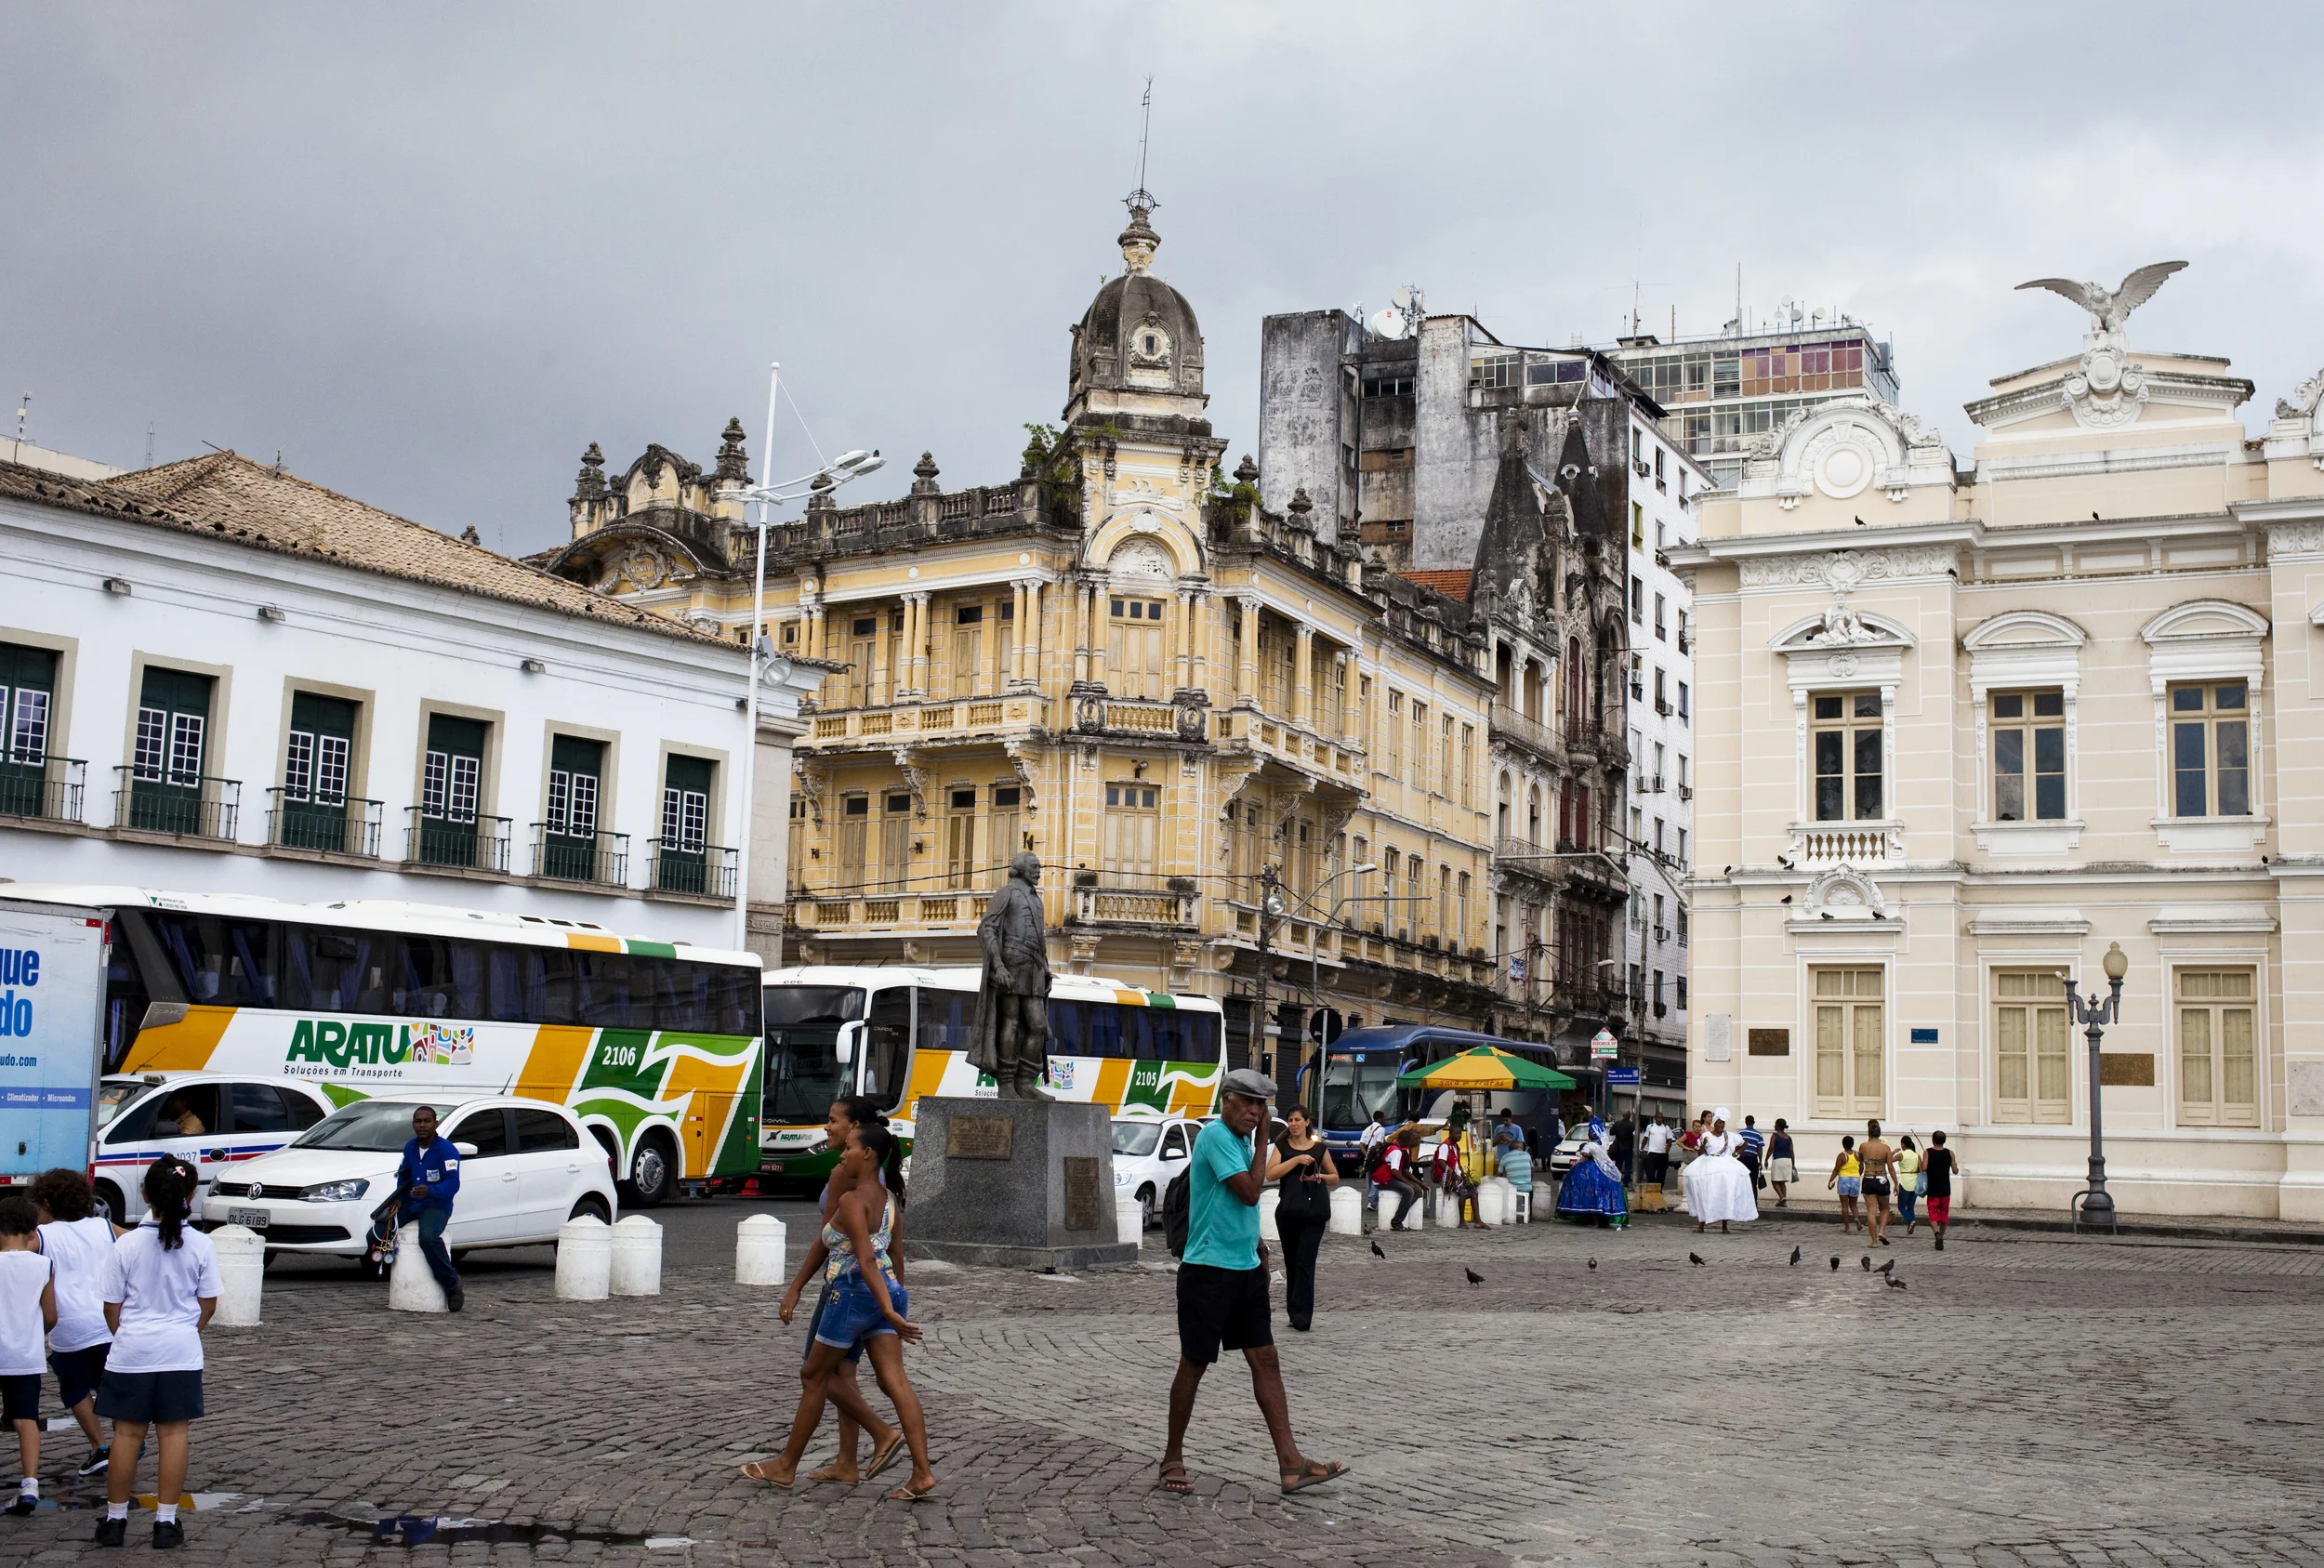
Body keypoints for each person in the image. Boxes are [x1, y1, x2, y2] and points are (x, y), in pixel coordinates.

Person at [1159, 1068, 1340, 1497]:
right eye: (1247, 1102)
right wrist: (1264, 1142)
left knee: (1267, 1360)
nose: (1255, 1112)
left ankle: (1291, 1464)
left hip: (1244, 1269)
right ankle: (1171, 1458)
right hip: (1207, 1271)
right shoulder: (1217, 1138)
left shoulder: (1241, 1141)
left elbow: (1235, 1208)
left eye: (1261, 1105)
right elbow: (1249, 1192)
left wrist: (1256, 1245)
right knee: (1195, 1362)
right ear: (1226, 1100)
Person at [755, 1124, 933, 1500]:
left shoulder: (853, 1200)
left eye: (849, 1147)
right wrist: (894, 1301)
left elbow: (866, 1258)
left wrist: (887, 1308)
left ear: (867, 1153)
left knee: (813, 1375)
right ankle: (921, 1475)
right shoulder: (888, 1200)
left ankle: (789, 1465)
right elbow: (894, 1258)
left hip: (853, 1295)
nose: (842, 1154)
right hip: (886, 1292)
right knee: (895, 1382)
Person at [94, 1156, 218, 1550]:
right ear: (191, 1195)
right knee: (174, 1434)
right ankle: (165, 1522)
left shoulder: (125, 1244)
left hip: (133, 1351)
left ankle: (115, 1521)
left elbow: (111, 1307)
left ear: (145, 1195)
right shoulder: (201, 1244)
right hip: (179, 1352)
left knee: (126, 1435)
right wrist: (184, 1331)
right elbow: (208, 1304)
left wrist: (128, 1335)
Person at [795, 1096, 907, 1487]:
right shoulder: (871, 1176)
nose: (828, 1128)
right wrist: (894, 1296)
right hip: (868, 1287)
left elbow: (827, 1241)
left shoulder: (845, 1176)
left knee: (818, 1373)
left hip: (843, 1287)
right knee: (844, 1373)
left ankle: (881, 1435)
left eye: (833, 1121)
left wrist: (796, 1288)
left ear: (856, 1132)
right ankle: (847, 1462)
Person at [32, 1168, 120, 1481]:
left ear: (45, 1203)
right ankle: (126, 1443)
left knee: (75, 1388)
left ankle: (100, 1447)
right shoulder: (104, 1227)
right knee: (113, 1385)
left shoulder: (42, 1236)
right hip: (107, 1322)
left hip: (68, 1327)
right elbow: (137, 1241)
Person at [0, 1197, 57, 1518]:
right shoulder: (43, 1265)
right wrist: (38, 1331)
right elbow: (51, 1315)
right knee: (26, 1418)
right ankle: (30, 1483)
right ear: (33, 1232)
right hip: (24, 1354)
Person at [1266, 1107, 1337, 1332]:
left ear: (1307, 1122)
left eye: (1297, 1120)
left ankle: (1303, 1316)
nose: (1293, 1124)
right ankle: (1293, 1311)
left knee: (1305, 1262)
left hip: (1313, 1213)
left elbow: (1334, 1177)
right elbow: (1271, 1174)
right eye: (1290, 1120)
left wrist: (1319, 1176)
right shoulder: (1282, 1146)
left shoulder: (1319, 1149)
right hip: (1288, 1212)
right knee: (1292, 1263)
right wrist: (1296, 1160)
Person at [393, 1105, 463, 1312]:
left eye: (427, 1121)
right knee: (380, 1230)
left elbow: (453, 1184)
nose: (422, 1125)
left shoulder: (447, 1150)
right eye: (418, 1121)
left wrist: (431, 1191)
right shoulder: (410, 1147)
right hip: (412, 1203)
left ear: (435, 1124)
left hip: (437, 1206)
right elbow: (404, 1176)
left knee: (428, 1237)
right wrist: (398, 1199)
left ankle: (452, 1284)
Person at [1684, 1110, 1760, 1234]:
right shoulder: (1706, 1136)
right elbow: (1700, 1153)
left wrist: (1736, 1153)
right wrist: (1703, 1145)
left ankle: (1724, 1226)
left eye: (1723, 1123)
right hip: (1709, 1167)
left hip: (1726, 1167)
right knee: (1706, 1195)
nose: (1721, 1125)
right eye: (1719, 1123)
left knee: (1725, 1196)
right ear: (1715, 1123)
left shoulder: (1730, 1136)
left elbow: (1744, 1144)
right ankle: (1701, 1225)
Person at [1554, 1116, 1628, 1226]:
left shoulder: (1591, 1145)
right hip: (1607, 1170)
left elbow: (1585, 1153)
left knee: (1590, 1193)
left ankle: (1593, 1220)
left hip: (1594, 1171)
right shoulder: (1603, 1142)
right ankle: (1605, 1219)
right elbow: (1603, 1134)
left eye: (1589, 1133)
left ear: (1591, 1134)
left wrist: (1585, 1153)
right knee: (1604, 1194)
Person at [1371, 1128, 1423, 1232]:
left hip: (1385, 1178)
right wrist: (1407, 1183)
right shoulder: (1396, 1151)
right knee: (1409, 1190)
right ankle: (1397, 1222)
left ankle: (1401, 1212)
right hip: (1383, 1180)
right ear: (1407, 1141)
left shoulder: (1394, 1147)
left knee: (1411, 1189)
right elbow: (1395, 1171)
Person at [1857, 1120, 1895, 1247]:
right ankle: (1882, 1231)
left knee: (1871, 1211)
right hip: (1882, 1179)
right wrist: (1896, 1183)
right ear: (1879, 1134)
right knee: (1884, 1208)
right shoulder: (1885, 1148)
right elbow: (1890, 1167)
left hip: (1868, 1179)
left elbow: (1860, 1163)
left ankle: (1873, 1242)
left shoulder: (1863, 1146)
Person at [1922, 1130, 1962, 1250]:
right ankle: (1942, 1236)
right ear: (1944, 1141)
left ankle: (1936, 1234)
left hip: (1933, 1188)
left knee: (1933, 1213)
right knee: (1944, 1214)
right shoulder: (1950, 1153)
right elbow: (1955, 1171)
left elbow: (1924, 1168)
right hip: (1945, 1188)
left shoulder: (1928, 1152)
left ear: (1932, 1140)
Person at [1829, 1135, 1861, 1234]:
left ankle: (1847, 1227)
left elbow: (1836, 1169)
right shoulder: (1858, 1155)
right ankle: (1856, 1218)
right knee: (1854, 1204)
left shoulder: (1842, 1155)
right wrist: (1858, 1175)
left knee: (1844, 1205)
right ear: (1853, 1144)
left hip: (1844, 1179)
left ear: (1843, 1144)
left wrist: (1831, 1180)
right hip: (1856, 1179)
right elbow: (1862, 1167)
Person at [1894, 1135, 1922, 1234]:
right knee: (1910, 1207)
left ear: (1903, 1144)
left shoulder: (1901, 1155)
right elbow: (1921, 1169)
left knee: (1901, 1206)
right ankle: (1910, 1226)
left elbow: (1889, 1160)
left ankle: (1911, 1221)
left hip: (1905, 1181)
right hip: (1914, 1182)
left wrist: (1893, 1152)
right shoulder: (1917, 1155)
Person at [1639, 1113, 1672, 1196]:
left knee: (1662, 1173)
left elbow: (1669, 1139)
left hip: (1663, 1154)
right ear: (1655, 1118)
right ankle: (1651, 1189)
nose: (1660, 1119)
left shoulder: (1666, 1128)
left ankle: (1659, 1189)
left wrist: (1668, 1146)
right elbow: (1645, 1138)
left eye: (1661, 1118)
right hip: (1652, 1153)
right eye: (1658, 1118)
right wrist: (1641, 1149)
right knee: (1650, 1172)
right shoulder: (1650, 1127)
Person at [1765, 1119, 1797, 1207]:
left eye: (1775, 1125)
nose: (1774, 1126)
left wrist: (1766, 1159)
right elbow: (1791, 1151)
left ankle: (1782, 1197)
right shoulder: (1788, 1137)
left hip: (1778, 1160)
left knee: (1774, 1181)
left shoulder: (1775, 1136)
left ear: (1778, 1126)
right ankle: (1783, 1200)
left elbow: (1771, 1148)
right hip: (1787, 1160)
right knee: (1782, 1182)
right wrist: (1793, 1163)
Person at [1737, 1114, 1766, 1191]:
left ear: (1745, 1122)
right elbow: (1759, 1148)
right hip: (1753, 1158)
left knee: (1742, 1180)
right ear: (1754, 1122)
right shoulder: (1758, 1134)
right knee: (1753, 1181)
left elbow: (1737, 1146)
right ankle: (1754, 1200)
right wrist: (1760, 1161)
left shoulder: (1741, 1132)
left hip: (1743, 1158)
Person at [1609, 1114, 1637, 1189]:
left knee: (1618, 1165)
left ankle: (1618, 1180)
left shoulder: (1617, 1124)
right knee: (1628, 1166)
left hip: (1619, 1148)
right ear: (1629, 1116)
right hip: (1628, 1148)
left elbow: (1611, 1132)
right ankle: (1626, 1183)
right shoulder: (1632, 1125)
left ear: (1622, 1115)